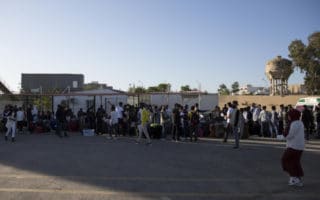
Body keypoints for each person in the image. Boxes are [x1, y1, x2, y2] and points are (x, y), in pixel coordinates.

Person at [281, 109, 305, 187]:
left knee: (285, 160)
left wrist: (282, 136)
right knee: (295, 162)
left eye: (289, 115)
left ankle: (294, 177)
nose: (288, 117)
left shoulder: (294, 123)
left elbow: (289, 135)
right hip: (300, 146)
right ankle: (295, 179)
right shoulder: (300, 122)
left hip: (293, 146)